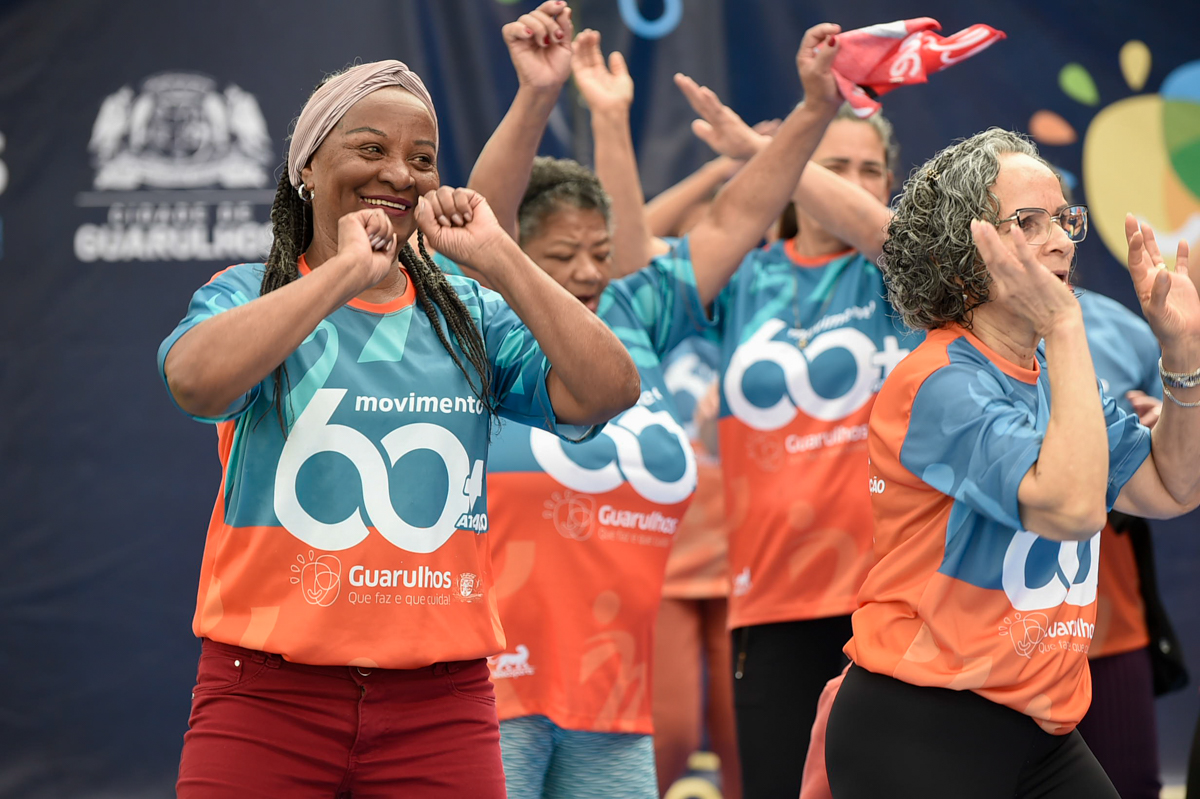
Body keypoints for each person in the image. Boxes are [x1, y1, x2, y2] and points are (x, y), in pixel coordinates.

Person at [157, 57, 641, 797]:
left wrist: (500, 259)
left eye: (421, 159)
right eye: (371, 148)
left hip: (440, 709)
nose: (398, 174)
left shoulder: (468, 315)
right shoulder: (250, 293)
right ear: (307, 168)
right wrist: (343, 274)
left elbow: (610, 389)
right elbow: (194, 380)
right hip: (266, 697)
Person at [442, 15, 850, 799]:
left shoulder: (637, 313)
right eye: (562, 257)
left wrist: (814, 109)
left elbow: (735, 217)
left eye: (600, 251)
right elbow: (482, 216)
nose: (588, 272)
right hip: (490, 695)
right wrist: (539, 96)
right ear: (512, 254)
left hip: (613, 707)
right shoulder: (487, 322)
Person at [825, 128, 1200, 798]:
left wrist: (1183, 356)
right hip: (923, 725)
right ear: (964, 254)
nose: (1061, 241)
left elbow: (1174, 486)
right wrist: (1066, 326)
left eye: (1063, 219)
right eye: (1028, 222)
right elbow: (1072, 509)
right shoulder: (937, 380)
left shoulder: (1056, 372)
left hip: (1039, 729)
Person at [669, 68, 919, 799]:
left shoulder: (906, 280)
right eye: (833, 164)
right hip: (771, 596)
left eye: (870, 170)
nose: (854, 181)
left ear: (889, 184)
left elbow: (885, 233)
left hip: (892, 595)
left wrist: (766, 151)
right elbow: (627, 263)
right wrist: (743, 161)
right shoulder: (746, 277)